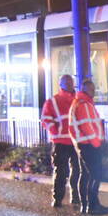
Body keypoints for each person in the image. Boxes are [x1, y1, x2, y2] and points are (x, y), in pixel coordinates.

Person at [69, 78, 108, 215]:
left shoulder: (82, 103)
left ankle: (87, 205)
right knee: (95, 175)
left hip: (84, 144)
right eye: (92, 89)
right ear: (85, 90)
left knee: (86, 175)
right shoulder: (84, 105)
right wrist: (97, 143)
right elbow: (87, 126)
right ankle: (92, 205)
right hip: (89, 145)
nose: (94, 91)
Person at [40, 74, 81, 208]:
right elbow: (46, 119)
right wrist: (56, 132)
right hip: (62, 142)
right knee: (62, 172)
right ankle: (58, 199)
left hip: (75, 141)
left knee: (76, 171)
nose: (70, 85)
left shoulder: (77, 100)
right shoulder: (53, 101)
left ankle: (75, 197)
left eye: (71, 83)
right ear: (61, 84)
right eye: (67, 83)